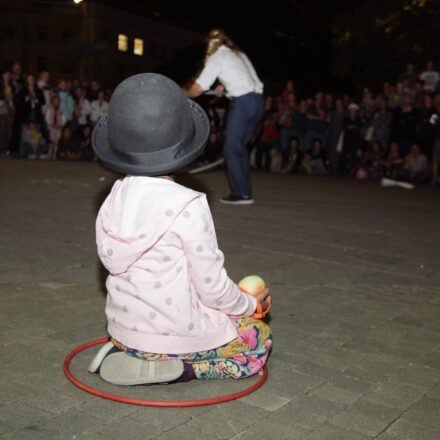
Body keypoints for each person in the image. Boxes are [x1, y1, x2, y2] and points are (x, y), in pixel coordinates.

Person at [87, 73, 272, 385]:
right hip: (169, 339)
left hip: (122, 332)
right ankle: (184, 370)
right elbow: (211, 289)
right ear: (184, 143)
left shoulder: (113, 198)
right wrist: (250, 304)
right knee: (257, 339)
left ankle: (124, 352)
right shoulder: (188, 204)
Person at [185, 29, 264, 205]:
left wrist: (185, 95)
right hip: (257, 101)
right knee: (239, 148)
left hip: (243, 102)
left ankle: (241, 194)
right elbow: (245, 77)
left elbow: (199, 88)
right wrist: (223, 85)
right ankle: (245, 191)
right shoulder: (238, 54)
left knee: (231, 148)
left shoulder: (217, 57)